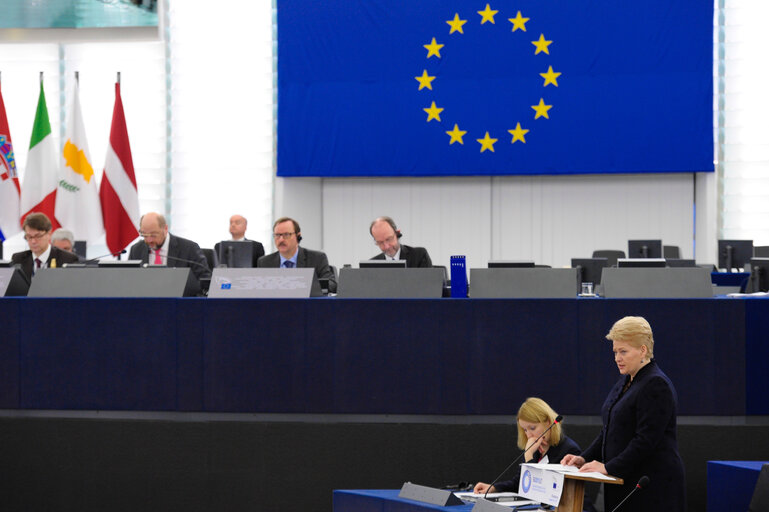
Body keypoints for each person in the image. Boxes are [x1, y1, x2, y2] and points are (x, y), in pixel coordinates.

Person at [561, 316, 686, 512]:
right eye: (615, 352)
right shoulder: (627, 379)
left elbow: (645, 441)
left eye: (623, 351)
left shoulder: (656, 384)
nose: (617, 358)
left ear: (643, 350)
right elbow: (609, 429)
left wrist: (608, 467)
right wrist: (583, 458)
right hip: (625, 480)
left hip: (650, 487)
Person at [474, 397, 582, 494]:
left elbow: (539, 489)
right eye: (525, 430)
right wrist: (493, 488)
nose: (529, 435)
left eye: (532, 428)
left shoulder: (569, 450)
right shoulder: (535, 447)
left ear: (549, 423)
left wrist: (529, 455)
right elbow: (519, 483)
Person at [257, 216, 336, 292]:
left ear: (298, 237)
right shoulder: (264, 262)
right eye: (277, 235)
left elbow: (332, 285)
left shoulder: (317, 258)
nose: (281, 239)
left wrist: (303, 284)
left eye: (286, 235)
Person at [128, 212, 211, 282]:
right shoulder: (136, 250)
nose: (149, 240)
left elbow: (205, 280)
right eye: (145, 235)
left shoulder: (189, 248)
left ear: (165, 229)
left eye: (153, 235)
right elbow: (129, 280)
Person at [11, 213, 79, 280]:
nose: (33, 241)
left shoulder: (67, 259)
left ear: (49, 234)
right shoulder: (18, 259)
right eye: (29, 237)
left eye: (38, 236)